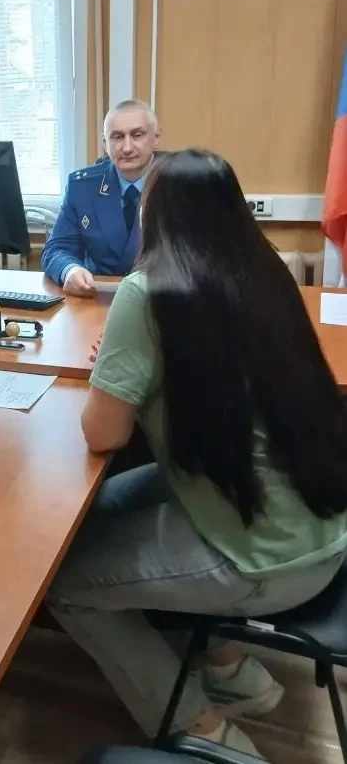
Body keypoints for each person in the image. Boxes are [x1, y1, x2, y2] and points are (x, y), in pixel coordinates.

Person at [46, 150, 347, 758]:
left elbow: (102, 434)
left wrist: (116, 366)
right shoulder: (263, 271)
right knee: (96, 512)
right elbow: (207, 364)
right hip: (321, 525)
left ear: (155, 216)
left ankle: (203, 728)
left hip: (265, 560)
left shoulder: (146, 291)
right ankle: (233, 669)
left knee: (66, 585)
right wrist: (132, 354)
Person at [42, 99, 161, 297]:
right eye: (117, 137)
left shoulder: (178, 184)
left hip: (157, 299)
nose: (127, 147)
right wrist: (69, 270)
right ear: (105, 143)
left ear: (156, 138)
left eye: (137, 135)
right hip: (97, 297)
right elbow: (57, 248)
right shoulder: (83, 188)